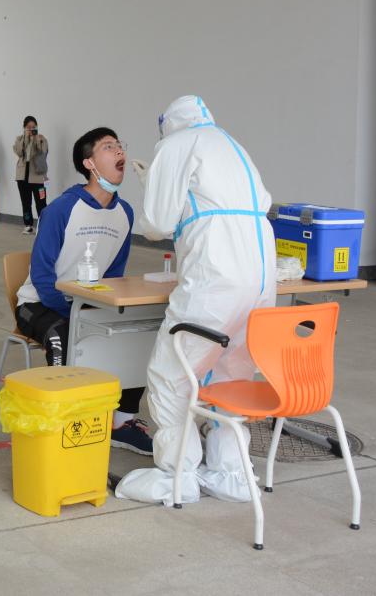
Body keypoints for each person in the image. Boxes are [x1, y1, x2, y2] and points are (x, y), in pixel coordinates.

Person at [115, 95, 277, 506]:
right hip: (260, 279)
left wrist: (151, 185)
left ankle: (178, 477)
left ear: (167, 125)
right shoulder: (232, 145)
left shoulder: (175, 145)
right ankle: (230, 472)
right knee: (231, 374)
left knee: (173, 373)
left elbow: (156, 224)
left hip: (216, 280)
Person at [14, 127, 153, 455]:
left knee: (139, 332)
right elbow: (42, 276)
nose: (119, 151)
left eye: (119, 145)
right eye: (108, 147)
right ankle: (66, 425)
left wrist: (102, 309)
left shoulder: (124, 213)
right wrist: (75, 314)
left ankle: (121, 423)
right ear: (89, 163)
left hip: (88, 302)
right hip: (39, 303)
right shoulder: (61, 209)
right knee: (62, 336)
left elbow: (114, 276)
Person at [13, 115, 49, 233]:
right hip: (22, 176)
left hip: (38, 176)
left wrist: (36, 139)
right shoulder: (19, 139)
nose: (31, 129)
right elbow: (19, 152)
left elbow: (43, 151)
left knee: (41, 202)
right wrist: (26, 139)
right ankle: (28, 225)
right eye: (29, 127)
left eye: (34, 127)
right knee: (26, 202)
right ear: (24, 128)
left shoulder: (42, 138)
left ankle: (43, 225)